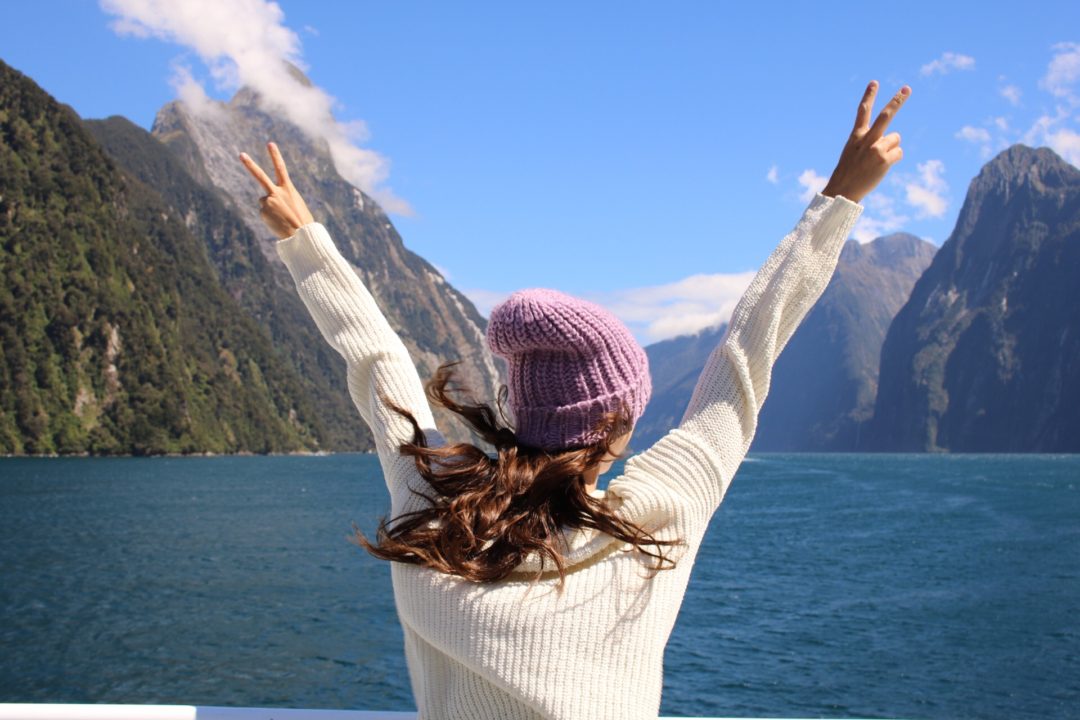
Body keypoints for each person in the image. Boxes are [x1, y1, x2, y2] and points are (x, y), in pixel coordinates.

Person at [240, 80, 910, 720]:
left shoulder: (437, 512)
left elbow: (378, 365)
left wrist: (305, 242)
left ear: (522, 410)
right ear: (613, 423)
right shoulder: (657, 513)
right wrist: (840, 196)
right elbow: (746, 351)